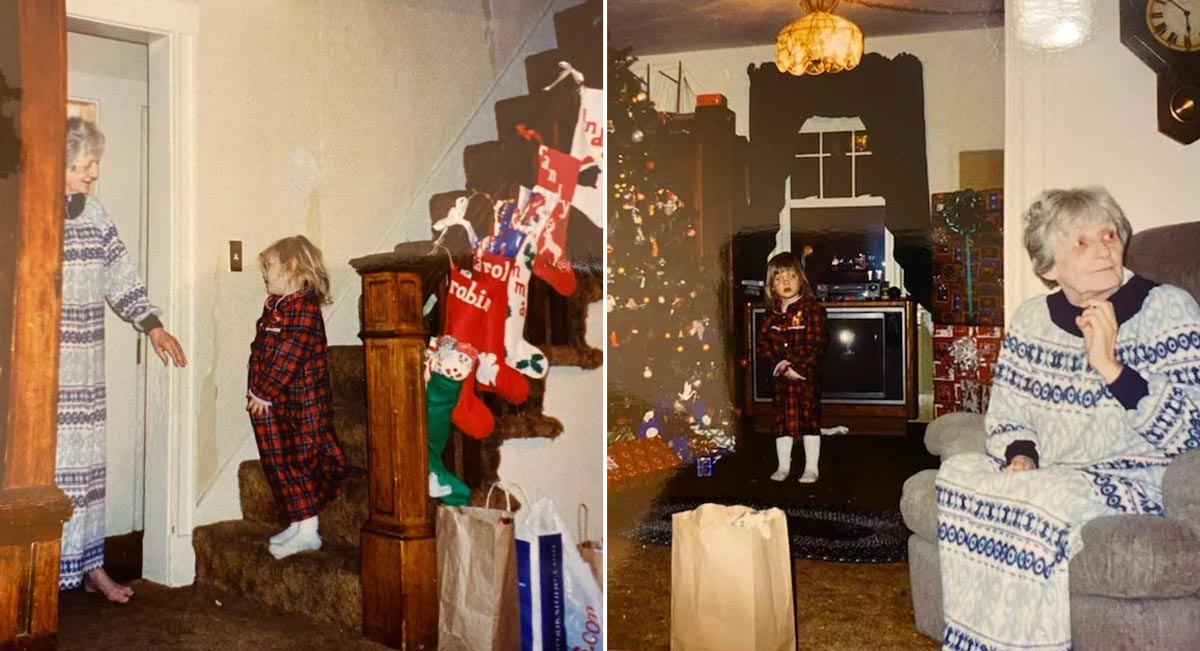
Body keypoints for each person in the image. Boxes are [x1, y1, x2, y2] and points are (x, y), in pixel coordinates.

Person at [935, 187, 1200, 650]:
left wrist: (1111, 368)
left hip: (1133, 481)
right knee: (957, 472)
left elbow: (1191, 431)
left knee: (1044, 497)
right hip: (1049, 475)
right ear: (1048, 265)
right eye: (1081, 241)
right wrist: (1020, 453)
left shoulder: (1169, 309)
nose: (1103, 248)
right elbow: (1008, 410)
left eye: (1109, 234)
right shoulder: (1033, 319)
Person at [58, 117, 188, 603]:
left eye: (95, 163)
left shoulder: (96, 214)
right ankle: (35, 573)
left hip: (86, 365)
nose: (94, 172)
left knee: (88, 470)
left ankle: (92, 568)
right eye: (85, 164)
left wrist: (152, 324)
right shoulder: (24, 211)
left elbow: (121, 275)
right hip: (39, 369)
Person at [246, 235, 346, 560]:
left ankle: (309, 531)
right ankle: (297, 520)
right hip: (275, 405)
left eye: (269, 267)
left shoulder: (303, 310)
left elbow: (290, 353)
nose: (264, 273)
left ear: (295, 268)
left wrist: (264, 389)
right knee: (277, 463)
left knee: (298, 463)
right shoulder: (276, 308)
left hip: (302, 407)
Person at [757, 251, 828, 483]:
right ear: (771, 286)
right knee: (783, 422)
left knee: (809, 420)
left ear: (801, 279)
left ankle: (811, 468)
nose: (786, 282)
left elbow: (816, 342)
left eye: (791, 276)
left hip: (805, 377)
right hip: (782, 379)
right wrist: (779, 365)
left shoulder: (812, 309)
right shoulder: (771, 314)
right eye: (779, 278)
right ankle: (783, 466)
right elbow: (764, 344)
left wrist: (798, 366)